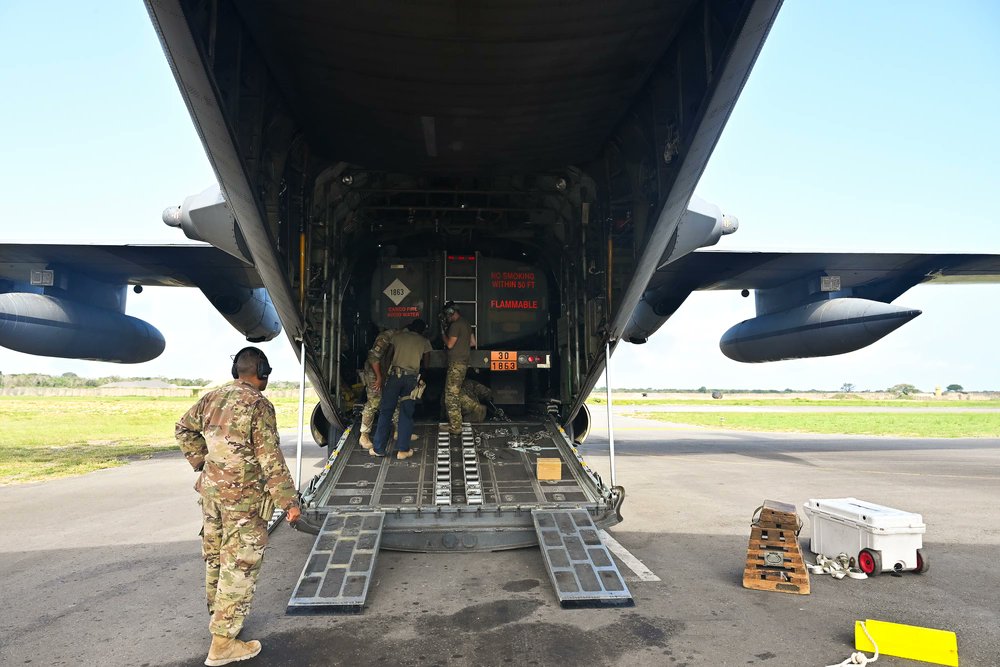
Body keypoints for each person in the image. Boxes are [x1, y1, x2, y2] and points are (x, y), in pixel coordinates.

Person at [175, 346, 301, 666]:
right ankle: (223, 643)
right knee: (240, 563)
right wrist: (289, 502)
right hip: (243, 500)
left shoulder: (212, 397)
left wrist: (202, 461)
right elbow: (270, 458)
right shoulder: (258, 405)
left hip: (212, 494)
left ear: (236, 371)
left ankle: (220, 622)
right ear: (263, 372)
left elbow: (183, 427)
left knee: (216, 559)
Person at [371, 318, 431, 459]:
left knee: (386, 412)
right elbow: (427, 363)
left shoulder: (398, 337)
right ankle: (402, 451)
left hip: (394, 377)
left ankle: (379, 449)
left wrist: (384, 375)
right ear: (422, 331)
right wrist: (422, 378)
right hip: (411, 379)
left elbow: (388, 356)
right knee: (406, 413)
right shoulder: (424, 341)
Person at [358, 326, 399, 449]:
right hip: (374, 373)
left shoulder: (401, 338)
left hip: (386, 371)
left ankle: (398, 430)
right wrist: (379, 378)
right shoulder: (386, 337)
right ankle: (364, 435)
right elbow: (373, 357)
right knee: (374, 402)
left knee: (396, 399)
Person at [441, 302, 475, 435]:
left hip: (456, 364)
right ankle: (456, 424)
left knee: (451, 396)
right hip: (463, 363)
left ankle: (455, 426)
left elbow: (450, 344)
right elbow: (473, 343)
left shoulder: (455, 325)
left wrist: (443, 334)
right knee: (455, 393)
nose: (447, 318)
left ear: (451, 312)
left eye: (447, 315)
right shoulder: (466, 323)